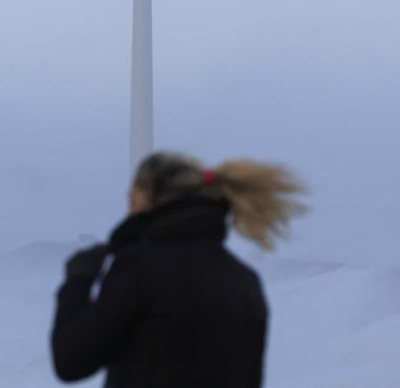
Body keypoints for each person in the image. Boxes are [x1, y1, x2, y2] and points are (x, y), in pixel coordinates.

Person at [50, 151, 307, 387]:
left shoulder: (141, 268)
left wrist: (78, 281)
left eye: (133, 201)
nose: (128, 213)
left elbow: (71, 361)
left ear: (153, 199)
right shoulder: (244, 280)